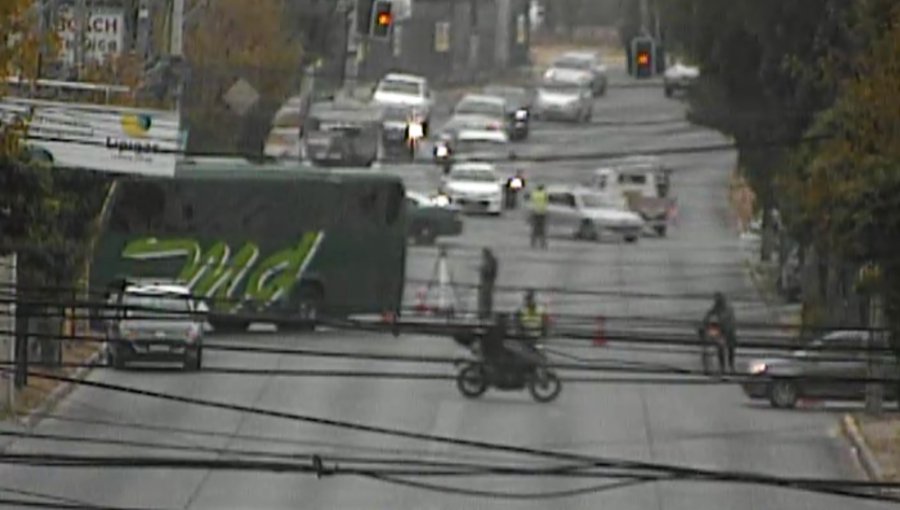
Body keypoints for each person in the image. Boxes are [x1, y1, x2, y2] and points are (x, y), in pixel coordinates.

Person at [703, 292, 737, 373]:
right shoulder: (716, 308)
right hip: (722, 331)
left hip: (729, 330)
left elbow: (732, 321)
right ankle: (723, 367)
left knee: (730, 349)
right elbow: (708, 316)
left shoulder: (728, 309)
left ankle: (730, 365)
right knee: (721, 348)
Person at [478, 248, 498, 319]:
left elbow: (489, 271)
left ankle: (485, 314)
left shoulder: (491, 261)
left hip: (487, 283)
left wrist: (482, 270)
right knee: (485, 299)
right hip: (486, 283)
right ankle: (484, 313)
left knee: (486, 299)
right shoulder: (491, 261)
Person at [529, 184, 549, 249]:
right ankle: (543, 243)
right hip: (542, 213)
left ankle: (533, 243)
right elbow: (547, 202)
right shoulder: (544, 194)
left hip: (535, 212)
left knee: (534, 229)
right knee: (542, 229)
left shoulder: (534, 193)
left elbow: (531, 201)